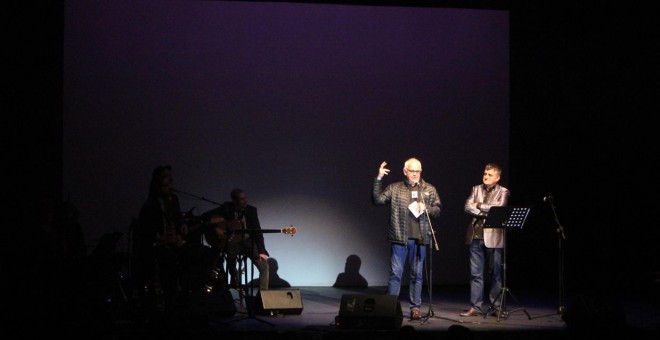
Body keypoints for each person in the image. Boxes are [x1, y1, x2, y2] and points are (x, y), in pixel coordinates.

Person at [372, 158, 442, 320]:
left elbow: (437, 210)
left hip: (421, 239)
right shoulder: (395, 188)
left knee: (417, 275)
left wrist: (427, 208)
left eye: (418, 172)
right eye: (412, 171)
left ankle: (415, 308)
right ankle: (390, 306)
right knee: (396, 274)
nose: (415, 175)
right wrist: (379, 178)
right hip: (399, 238)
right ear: (405, 171)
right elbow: (378, 200)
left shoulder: (428, 189)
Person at [134, 165, 186, 315]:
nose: (171, 181)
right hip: (156, 249)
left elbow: (177, 219)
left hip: (172, 247)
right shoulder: (150, 204)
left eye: (171, 178)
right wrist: (161, 237)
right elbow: (145, 229)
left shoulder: (174, 199)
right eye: (167, 178)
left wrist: (181, 226)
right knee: (164, 278)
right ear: (158, 182)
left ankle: (176, 307)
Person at [459, 163, 510, 317]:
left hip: (494, 237)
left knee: (496, 274)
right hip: (475, 235)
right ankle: (476, 307)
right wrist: (486, 210)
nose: (486, 176)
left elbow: (499, 209)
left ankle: (497, 307)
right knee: (475, 274)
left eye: (489, 175)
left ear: (497, 177)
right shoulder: (476, 189)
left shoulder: (503, 191)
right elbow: (467, 207)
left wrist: (479, 205)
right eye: (485, 174)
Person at [202, 188, 270, 291]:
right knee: (231, 255)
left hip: (248, 241)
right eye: (241, 199)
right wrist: (216, 228)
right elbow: (205, 216)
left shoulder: (251, 210)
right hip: (233, 241)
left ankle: (264, 295)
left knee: (264, 266)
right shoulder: (226, 208)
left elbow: (257, 231)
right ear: (234, 201)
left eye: (245, 198)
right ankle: (235, 281)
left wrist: (262, 251)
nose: (245, 201)